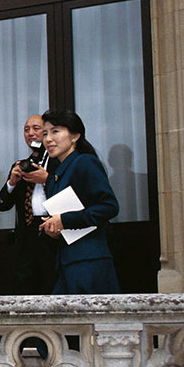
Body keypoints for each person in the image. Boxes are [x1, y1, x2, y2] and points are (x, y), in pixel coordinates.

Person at [39, 110, 120, 294]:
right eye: (45, 133)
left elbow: (109, 207)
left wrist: (64, 220)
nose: (48, 139)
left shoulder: (85, 162)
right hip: (67, 262)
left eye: (55, 131)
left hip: (90, 261)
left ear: (75, 136)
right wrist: (54, 229)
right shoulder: (55, 176)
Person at [0, 115, 59, 294]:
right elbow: (3, 205)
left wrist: (47, 179)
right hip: (26, 236)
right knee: (26, 285)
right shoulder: (22, 165)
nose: (31, 133)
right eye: (26, 129)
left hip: (52, 232)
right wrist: (12, 182)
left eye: (36, 128)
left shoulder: (59, 162)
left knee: (52, 281)